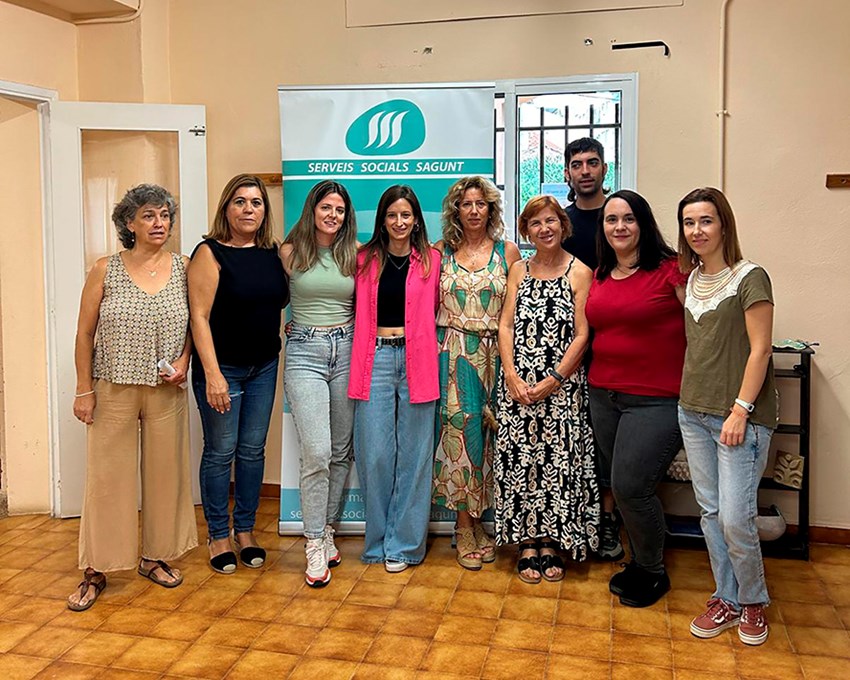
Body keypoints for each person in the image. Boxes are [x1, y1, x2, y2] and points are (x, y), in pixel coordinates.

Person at [68, 184, 197, 611]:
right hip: (112, 386)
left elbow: (195, 324)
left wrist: (184, 361)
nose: (159, 223)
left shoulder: (184, 267)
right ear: (130, 223)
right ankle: (96, 568)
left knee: (166, 476)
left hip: (166, 390)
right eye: (149, 216)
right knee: (108, 480)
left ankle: (154, 556)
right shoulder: (105, 268)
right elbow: (84, 333)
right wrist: (84, 389)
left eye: (165, 215)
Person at [676, 187, 776, 646]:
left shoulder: (750, 277)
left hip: (739, 418)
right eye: (689, 222)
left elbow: (761, 350)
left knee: (737, 518)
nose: (697, 230)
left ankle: (753, 601)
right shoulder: (692, 280)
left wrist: (741, 409)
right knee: (712, 514)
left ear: (723, 225)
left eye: (706, 220)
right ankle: (727, 598)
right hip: (693, 412)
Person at [585, 190, 687, 607]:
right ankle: (639, 560)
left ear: (643, 223)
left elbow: (705, 328)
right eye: (611, 220)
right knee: (619, 483)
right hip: (604, 396)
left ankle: (652, 570)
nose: (620, 227)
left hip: (656, 400)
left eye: (628, 218)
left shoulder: (672, 271)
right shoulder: (600, 274)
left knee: (631, 487)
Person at [495, 195, 600, 584]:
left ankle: (553, 542)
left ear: (563, 225)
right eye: (536, 223)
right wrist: (510, 374)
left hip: (562, 388)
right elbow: (505, 325)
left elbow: (583, 334)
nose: (544, 228)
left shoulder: (580, 272)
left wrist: (554, 379)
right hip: (518, 386)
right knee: (523, 464)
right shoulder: (518, 270)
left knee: (558, 463)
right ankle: (527, 542)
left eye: (551, 221)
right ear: (526, 230)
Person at [188, 174, 289, 574]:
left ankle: (245, 531)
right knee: (220, 452)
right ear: (226, 209)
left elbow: (279, 301)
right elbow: (198, 316)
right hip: (222, 369)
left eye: (256, 202)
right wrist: (212, 374)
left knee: (252, 451)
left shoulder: (272, 252)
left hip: (264, 366)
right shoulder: (209, 253)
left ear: (264, 211)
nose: (249, 209)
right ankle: (218, 535)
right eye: (240, 202)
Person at [348, 185, 441, 572]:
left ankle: (403, 546)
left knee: (416, 456)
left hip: (420, 360)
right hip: (375, 360)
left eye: (406, 215)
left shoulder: (432, 260)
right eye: (392, 215)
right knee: (375, 454)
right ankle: (377, 541)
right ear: (382, 220)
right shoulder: (362, 259)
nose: (399, 222)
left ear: (416, 219)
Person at [432, 176, 521, 570]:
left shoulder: (508, 251)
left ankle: (482, 521)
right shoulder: (442, 251)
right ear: (456, 210)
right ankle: (463, 526)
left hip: (498, 354)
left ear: (491, 209)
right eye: (466, 204)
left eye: (480, 203)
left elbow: (518, 308)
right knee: (459, 433)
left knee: (491, 440)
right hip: (454, 353)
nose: (473, 210)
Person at [280, 180, 357, 587]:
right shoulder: (290, 252)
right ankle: (312, 542)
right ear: (312, 210)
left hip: (347, 350)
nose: (333, 215)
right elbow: (270, 296)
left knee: (341, 450)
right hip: (304, 352)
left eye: (339, 210)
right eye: (326, 207)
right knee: (318, 451)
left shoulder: (355, 253)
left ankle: (327, 529)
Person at [562, 137, 622, 560]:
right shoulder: (561, 224)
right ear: (567, 172)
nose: (585, 171)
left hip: (613, 346)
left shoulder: (619, 217)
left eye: (593, 162)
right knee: (575, 440)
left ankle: (607, 519)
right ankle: (574, 519)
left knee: (608, 442)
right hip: (567, 348)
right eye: (577, 164)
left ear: (604, 168)